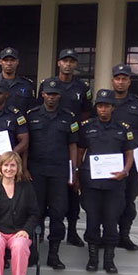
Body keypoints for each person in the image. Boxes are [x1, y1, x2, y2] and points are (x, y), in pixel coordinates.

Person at [39, 48, 93, 247]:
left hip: (72, 139)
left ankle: (71, 231)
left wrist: (75, 129)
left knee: (72, 189)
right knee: (43, 194)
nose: (68, 64)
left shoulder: (83, 87)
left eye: (72, 61)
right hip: (49, 137)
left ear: (76, 65)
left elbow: (88, 112)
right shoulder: (47, 84)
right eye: (64, 61)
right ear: (58, 63)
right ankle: (41, 232)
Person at [77, 89, 135, 274]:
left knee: (111, 221)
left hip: (114, 184)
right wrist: (77, 174)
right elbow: (80, 152)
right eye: (100, 106)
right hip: (91, 183)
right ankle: (93, 258)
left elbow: (129, 153)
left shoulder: (123, 128)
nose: (103, 109)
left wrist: (125, 171)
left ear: (112, 107)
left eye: (107, 106)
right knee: (92, 220)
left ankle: (109, 260)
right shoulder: (87, 126)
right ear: (96, 107)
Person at [25, 78, 80, 270]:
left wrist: (73, 170)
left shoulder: (69, 117)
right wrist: (23, 168)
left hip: (59, 171)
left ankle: (54, 254)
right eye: (48, 93)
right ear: (42, 95)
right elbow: (25, 144)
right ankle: (32, 253)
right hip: (36, 171)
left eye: (55, 94)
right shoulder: (31, 116)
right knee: (34, 212)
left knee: (58, 212)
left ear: (60, 96)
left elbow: (73, 145)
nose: (51, 97)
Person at [111, 64, 138, 251]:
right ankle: (108, 235)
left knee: (129, 198)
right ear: (113, 81)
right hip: (109, 158)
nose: (120, 82)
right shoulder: (104, 102)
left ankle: (124, 235)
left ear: (129, 81)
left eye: (124, 79)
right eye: (117, 78)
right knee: (108, 199)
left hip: (132, 158)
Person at [0, 47, 38, 113]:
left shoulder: (27, 85)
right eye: (6, 60)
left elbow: (31, 110)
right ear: (0, 62)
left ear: (17, 62)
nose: (9, 63)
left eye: (12, 60)